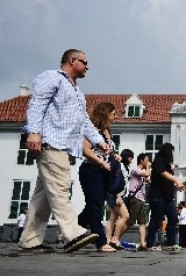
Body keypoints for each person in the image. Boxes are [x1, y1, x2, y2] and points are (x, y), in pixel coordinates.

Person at [20, 49, 105, 253]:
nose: (87, 67)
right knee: (60, 188)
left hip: (63, 146)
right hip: (52, 142)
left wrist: (98, 140)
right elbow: (37, 104)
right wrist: (33, 132)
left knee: (43, 196)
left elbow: (83, 120)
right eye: (84, 62)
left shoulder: (77, 92)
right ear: (71, 60)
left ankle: (30, 240)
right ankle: (73, 234)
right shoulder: (52, 77)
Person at [78, 102, 119, 253]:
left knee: (92, 206)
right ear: (105, 114)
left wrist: (116, 157)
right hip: (91, 170)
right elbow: (85, 150)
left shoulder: (107, 132)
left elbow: (107, 152)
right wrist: (101, 162)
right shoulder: (93, 131)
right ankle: (101, 242)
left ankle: (73, 230)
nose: (116, 116)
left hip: (103, 172)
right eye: (114, 113)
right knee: (96, 206)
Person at [147, 143, 185, 251]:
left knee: (173, 217)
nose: (173, 154)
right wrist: (177, 180)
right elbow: (163, 174)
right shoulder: (158, 161)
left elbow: (167, 180)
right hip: (157, 196)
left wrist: (177, 186)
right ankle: (150, 243)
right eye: (172, 152)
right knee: (156, 219)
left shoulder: (168, 165)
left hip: (168, 197)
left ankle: (171, 242)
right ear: (167, 151)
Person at [106, 149, 134, 250]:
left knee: (113, 217)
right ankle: (115, 239)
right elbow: (118, 181)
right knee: (125, 216)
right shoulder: (120, 165)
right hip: (116, 195)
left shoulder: (123, 166)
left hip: (114, 194)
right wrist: (118, 196)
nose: (131, 160)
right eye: (131, 158)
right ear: (128, 157)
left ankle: (108, 240)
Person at [126, 153, 151, 251]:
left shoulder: (143, 172)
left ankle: (142, 243)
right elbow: (147, 174)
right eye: (147, 159)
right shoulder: (135, 170)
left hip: (141, 199)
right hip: (135, 198)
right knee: (130, 222)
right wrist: (148, 167)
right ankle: (115, 238)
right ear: (141, 160)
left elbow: (149, 179)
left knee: (142, 222)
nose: (148, 162)